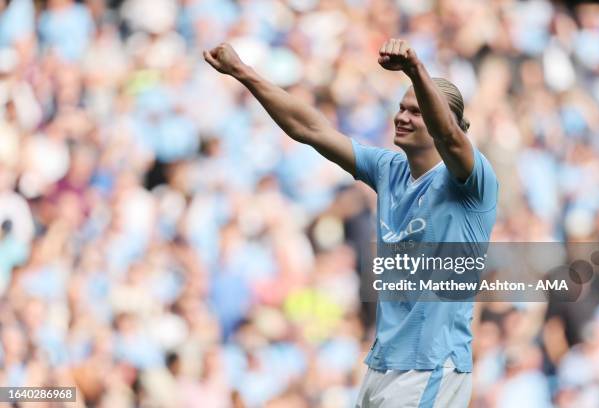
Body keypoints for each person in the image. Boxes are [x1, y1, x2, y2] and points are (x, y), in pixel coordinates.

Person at [203, 38, 498, 407]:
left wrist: (415, 69)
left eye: (417, 110)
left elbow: (451, 138)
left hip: (432, 368)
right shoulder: (389, 170)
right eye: (401, 107)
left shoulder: (472, 182)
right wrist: (243, 73)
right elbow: (309, 129)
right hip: (382, 365)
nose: (402, 116)